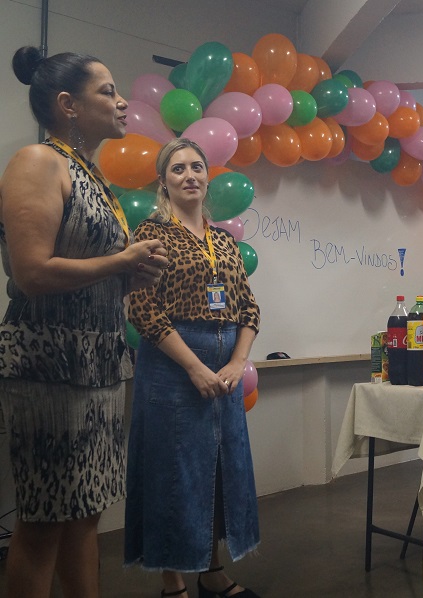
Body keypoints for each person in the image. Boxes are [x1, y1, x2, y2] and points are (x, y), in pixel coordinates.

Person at [0, 47, 167, 598]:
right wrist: (119, 263)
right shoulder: (38, 162)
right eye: (108, 91)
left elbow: (88, 271)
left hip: (99, 363)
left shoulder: (91, 174)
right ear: (68, 104)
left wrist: (128, 277)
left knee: (85, 512)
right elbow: (32, 272)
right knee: (44, 520)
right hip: (48, 363)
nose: (122, 103)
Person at [124, 139, 261, 598]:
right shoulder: (151, 234)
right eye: (178, 168)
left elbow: (249, 308)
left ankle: (212, 571)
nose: (190, 175)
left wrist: (238, 361)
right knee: (174, 473)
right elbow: (143, 308)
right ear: (164, 182)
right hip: (172, 367)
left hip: (225, 369)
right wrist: (194, 367)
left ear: (207, 177)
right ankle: (173, 582)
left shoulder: (223, 241)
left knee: (219, 470)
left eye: (197, 167)